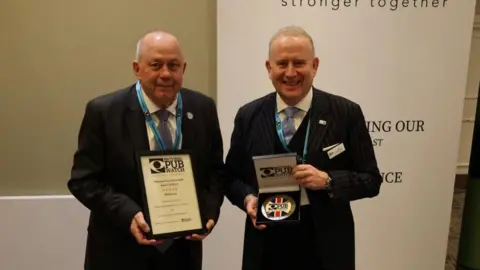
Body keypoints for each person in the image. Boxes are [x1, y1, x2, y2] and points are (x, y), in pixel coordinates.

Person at [224, 25, 382, 270]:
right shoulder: (249, 115)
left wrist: (328, 180)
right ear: (269, 68)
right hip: (266, 244)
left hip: (326, 246)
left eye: (299, 63)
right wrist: (247, 199)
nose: (290, 73)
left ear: (315, 65)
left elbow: (371, 180)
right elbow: (231, 177)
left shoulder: (346, 113)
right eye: (282, 63)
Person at [67, 30, 225, 270]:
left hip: (182, 253)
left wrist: (209, 210)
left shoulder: (203, 108)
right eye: (155, 65)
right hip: (119, 251)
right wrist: (129, 215)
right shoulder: (103, 112)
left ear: (184, 69)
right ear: (137, 68)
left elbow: (215, 172)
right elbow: (83, 181)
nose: (165, 74)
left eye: (173, 66)